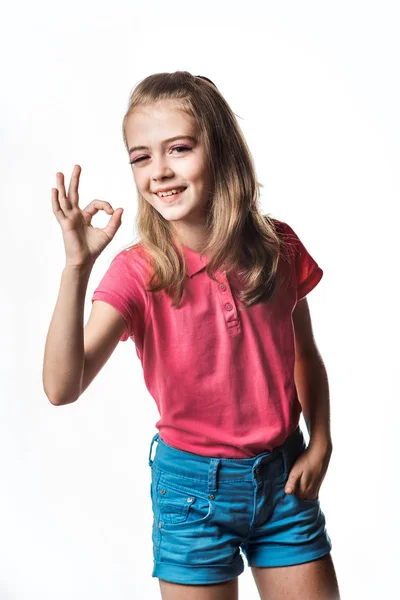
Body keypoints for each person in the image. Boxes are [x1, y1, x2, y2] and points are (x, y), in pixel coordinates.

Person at [43, 71, 341, 600]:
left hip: (285, 479)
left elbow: (306, 356)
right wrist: (77, 267)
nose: (159, 171)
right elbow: (62, 387)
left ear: (220, 149)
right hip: (190, 494)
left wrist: (321, 440)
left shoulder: (278, 246)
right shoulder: (138, 273)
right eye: (141, 157)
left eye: (178, 149)